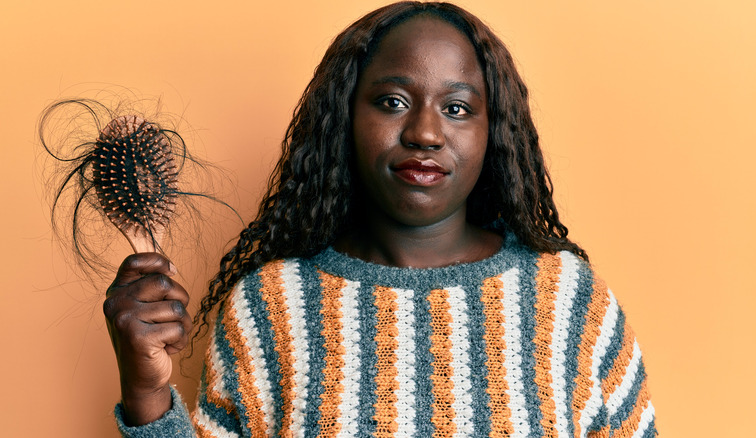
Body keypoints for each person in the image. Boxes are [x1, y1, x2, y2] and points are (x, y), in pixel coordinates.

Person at [104, 2, 656, 437]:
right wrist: (148, 394)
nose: (424, 132)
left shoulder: (568, 303)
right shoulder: (271, 306)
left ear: (495, 132)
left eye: (457, 108)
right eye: (392, 101)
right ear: (345, 116)